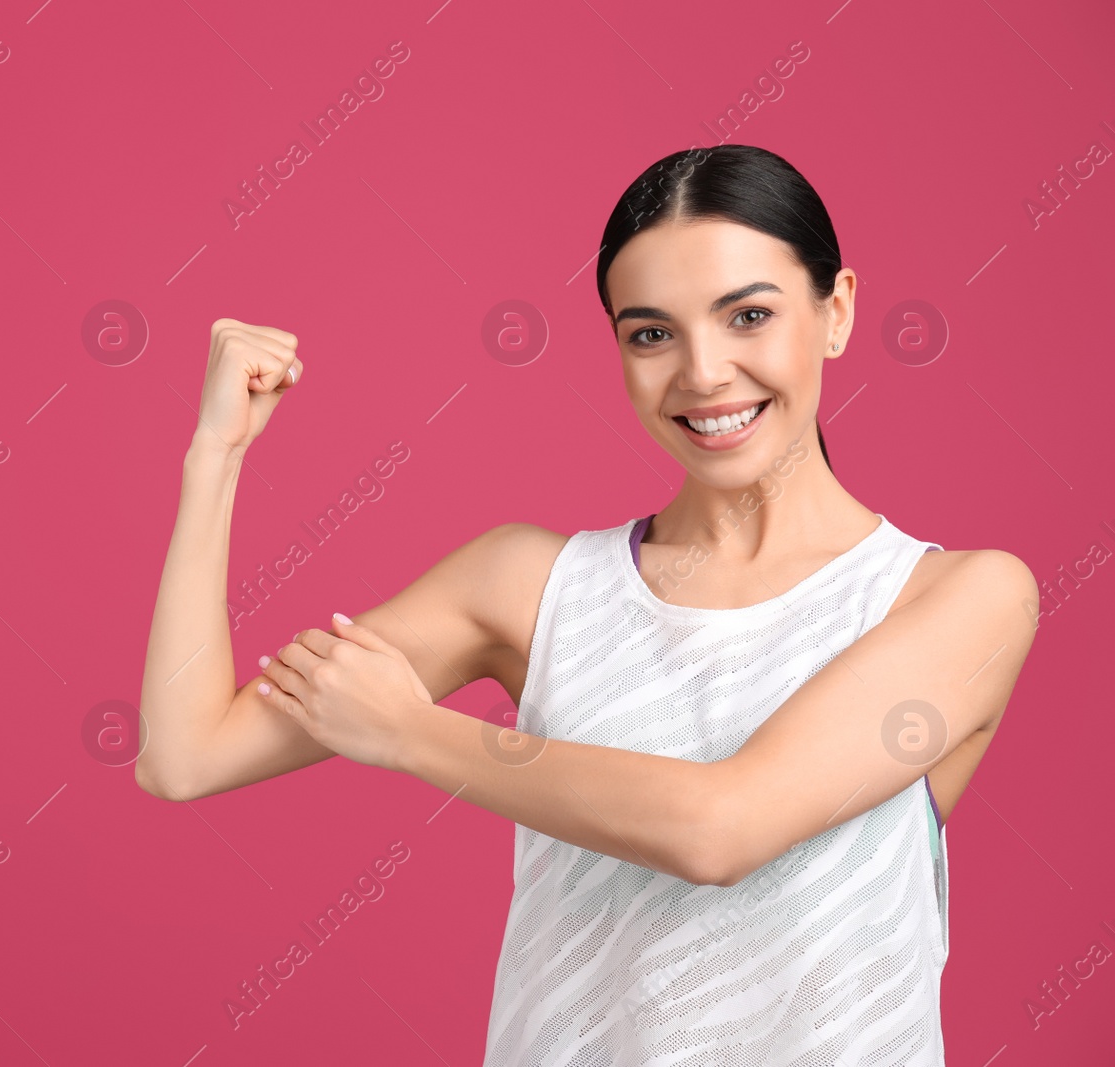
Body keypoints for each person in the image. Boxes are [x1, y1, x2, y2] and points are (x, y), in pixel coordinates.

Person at [135, 143, 1038, 1065]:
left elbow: (719, 830)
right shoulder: (529, 584)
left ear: (836, 311)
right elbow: (186, 754)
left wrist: (411, 733)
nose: (704, 373)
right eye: (652, 333)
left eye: (749, 316)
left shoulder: (958, 598)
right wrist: (215, 458)